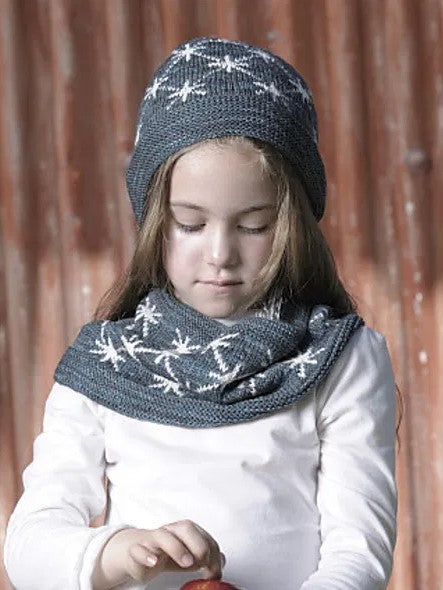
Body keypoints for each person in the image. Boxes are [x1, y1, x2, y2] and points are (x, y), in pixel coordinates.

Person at [3, 37, 397, 590]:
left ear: (294, 223)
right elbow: (28, 545)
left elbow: (358, 552)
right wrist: (115, 552)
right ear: (153, 220)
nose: (220, 254)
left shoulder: (340, 358)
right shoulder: (105, 365)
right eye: (189, 223)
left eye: (255, 225)